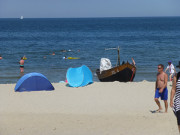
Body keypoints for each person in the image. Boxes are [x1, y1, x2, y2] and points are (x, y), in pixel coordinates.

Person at [170, 61, 180, 133]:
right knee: (179, 122)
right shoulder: (176, 76)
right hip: (178, 102)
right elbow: (173, 89)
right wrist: (171, 100)